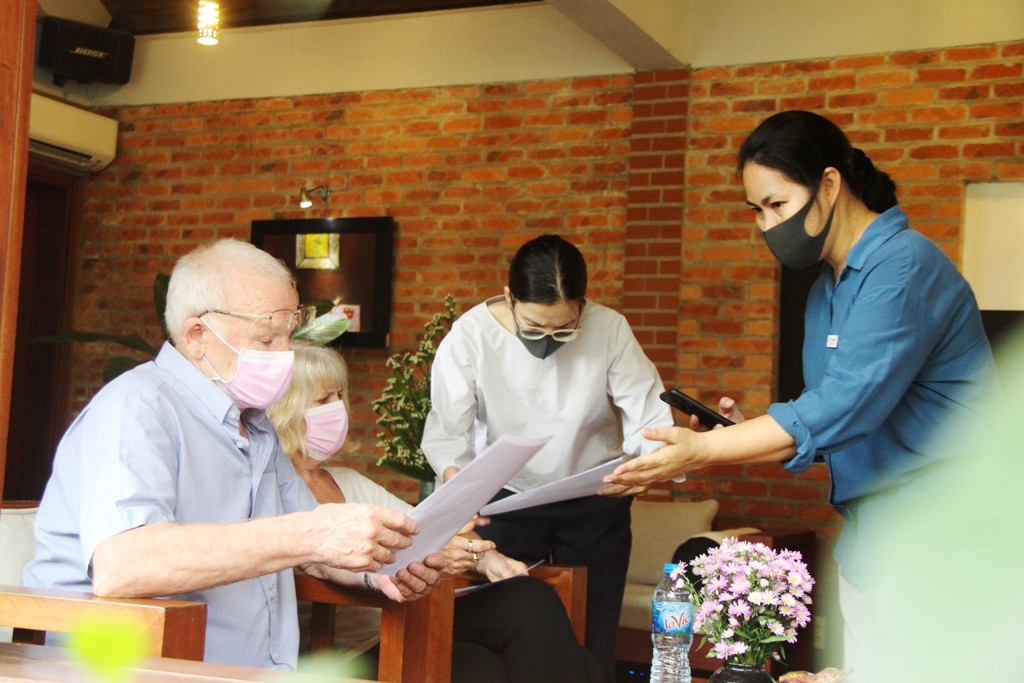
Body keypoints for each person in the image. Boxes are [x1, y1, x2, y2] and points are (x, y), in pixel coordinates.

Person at [604, 110, 998, 681]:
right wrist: (731, 437)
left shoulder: (902, 264)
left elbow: (842, 407)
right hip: (875, 535)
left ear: (830, 185)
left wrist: (708, 452)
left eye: (778, 205)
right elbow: (825, 424)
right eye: (756, 211)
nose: (766, 225)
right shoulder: (826, 289)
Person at [23, 238, 444, 671]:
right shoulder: (136, 407)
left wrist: (379, 568)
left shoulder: (255, 425)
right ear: (197, 336)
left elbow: (316, 551)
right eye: (267, 338)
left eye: (287, 337)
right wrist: (311, 534)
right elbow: (124, 562)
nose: (285, 355)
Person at [267, 340, 602, 683]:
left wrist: (479, 555)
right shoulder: (271, 490)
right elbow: (324, 563)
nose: (338, 409)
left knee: (531, 602)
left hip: (403, 619)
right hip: (346, 649)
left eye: (339, 396)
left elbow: (424, 526)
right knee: (543, 663)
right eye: (323, 401)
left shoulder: (347, 482)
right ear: (285, 410)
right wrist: (422, 555)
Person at [420, 234, 674, 682]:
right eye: (534, 329)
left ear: (582, 306)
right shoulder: (472, 335)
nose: (549, 341)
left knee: (594, 636)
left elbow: (648, 414)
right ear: (508, 298)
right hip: (504, 498)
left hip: (595, 496)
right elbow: (447, 430)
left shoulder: (610, 328)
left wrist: (648, 464)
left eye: (564, 329)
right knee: (514, 624)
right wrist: (461, 488)